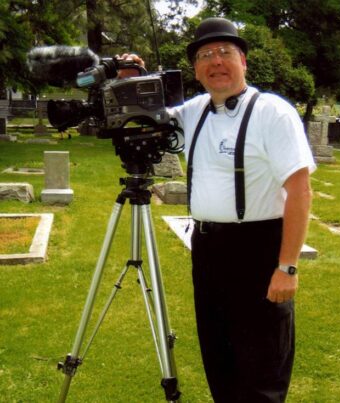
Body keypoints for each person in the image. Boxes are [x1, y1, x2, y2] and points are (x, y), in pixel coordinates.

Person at [120, 17, 315, 402]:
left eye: (225, 52)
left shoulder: (272, 112)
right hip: (207, 247)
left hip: (259, 248)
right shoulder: (194, 112)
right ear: (196, 69)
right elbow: (142, 116)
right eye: (205, 55)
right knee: (219, 356)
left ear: (244, 61)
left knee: (262, 366)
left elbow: (300, 191)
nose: (216, 61)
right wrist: (131, 75)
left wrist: (286, 266)